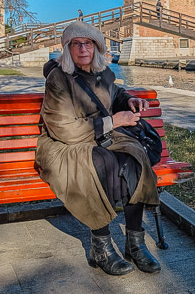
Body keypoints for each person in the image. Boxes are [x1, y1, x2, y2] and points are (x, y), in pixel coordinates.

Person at [35, 21, 161, 276]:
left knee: (133, 159)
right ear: (67, 49)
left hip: (99, 135)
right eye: (76, 44)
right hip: (65, 145)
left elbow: (114, 94)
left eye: (88, 43)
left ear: (97, 47)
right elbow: (64, 131)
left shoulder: (102, 73)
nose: (83, 49)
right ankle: (101, 247)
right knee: (101, 164)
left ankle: (135, 243)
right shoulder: (58, 79)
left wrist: (129, 100)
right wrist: (114, 121)